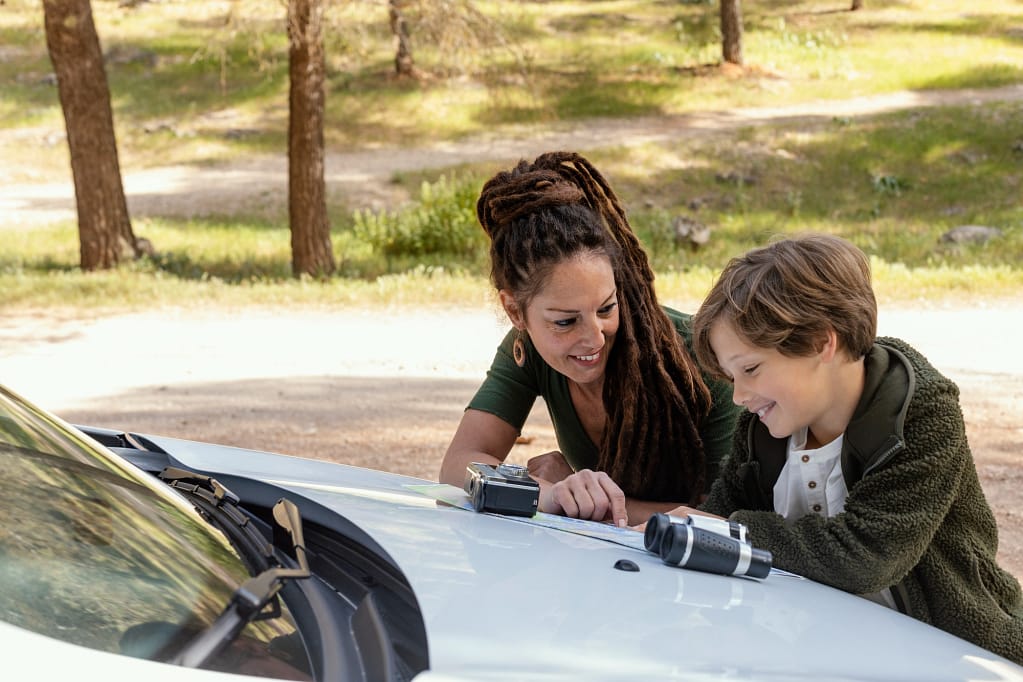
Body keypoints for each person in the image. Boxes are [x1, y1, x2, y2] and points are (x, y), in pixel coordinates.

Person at [662, 232, 1022, 664]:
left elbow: (867, 557)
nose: (739, 395)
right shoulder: (762, 428)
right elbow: (717, 518)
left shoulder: (920, 416)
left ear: (821, 342)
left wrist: (734, 531)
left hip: (944, 650)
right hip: (808, 650)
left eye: (752, 369)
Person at [438, 151, 739, 527]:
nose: (594, 337)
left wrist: (590, 496)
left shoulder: (699, 357)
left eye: (607, 308)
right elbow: (458, 463)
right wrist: (550, 494)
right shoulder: (526, 350)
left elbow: (723, 519)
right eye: (565, 322)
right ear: (515, 312)